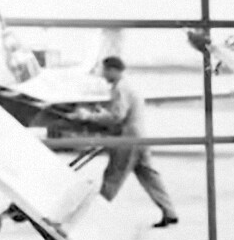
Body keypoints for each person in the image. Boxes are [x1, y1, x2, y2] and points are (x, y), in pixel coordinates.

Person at [69, 56, 179, 228]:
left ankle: (95, 216)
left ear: (113, 70)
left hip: (127, 140)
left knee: (113, 177)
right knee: (149, 175)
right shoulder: (127, 86)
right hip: (139, 137)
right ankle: (169, 211)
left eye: (105, 70)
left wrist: (89, 116)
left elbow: (117, 116)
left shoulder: (120, 88)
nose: (103, 74)